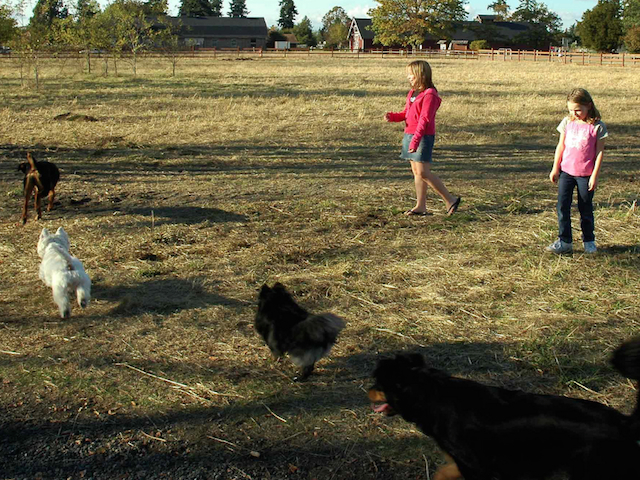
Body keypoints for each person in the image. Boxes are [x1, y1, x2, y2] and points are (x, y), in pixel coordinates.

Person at [385, 60, 460, 216]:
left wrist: (416, 140)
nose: (408, 77)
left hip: (422, 137)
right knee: (417, 172)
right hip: (410, 134)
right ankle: (421, 206)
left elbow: (424, 120)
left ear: (421, 75)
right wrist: (392, 117)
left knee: (424, 173)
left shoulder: (430, 94)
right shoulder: (412, 93)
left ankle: (450, 200)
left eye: (411, 74)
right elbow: (407, 114)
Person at [547, 88, 608, 254]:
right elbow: (561, 146)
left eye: (578, 109)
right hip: (566, 172)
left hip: (585, 175)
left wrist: (594, 175)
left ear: (588, 105)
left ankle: (589, 240)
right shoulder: (567, 122)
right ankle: (564, 240)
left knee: (585, 208)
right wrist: (555, 168)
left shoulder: (597, 127)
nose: (574, 113)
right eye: (571, 110)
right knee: (562, 207)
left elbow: (599, 152)